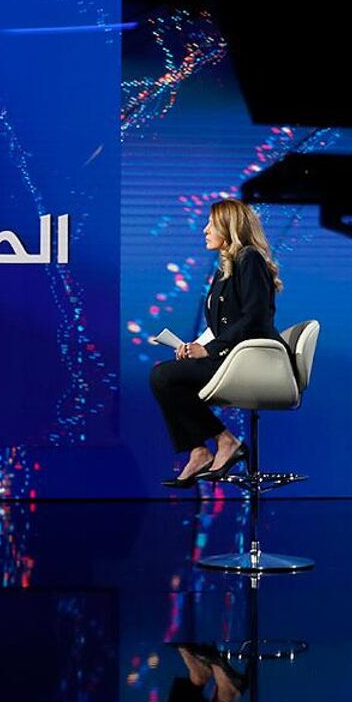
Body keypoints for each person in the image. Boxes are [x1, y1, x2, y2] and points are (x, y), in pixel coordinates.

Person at [148, 198, 284, 488]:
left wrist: (208, 350)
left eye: (211, 224)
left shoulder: (249, 258)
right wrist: (193, 347)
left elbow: (255, 317)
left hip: (251, 362)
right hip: (230, 357)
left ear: (228, 226)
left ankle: (223, 441)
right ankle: (200, 450)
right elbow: (219, 326)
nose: (205, 230)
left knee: (164, 376)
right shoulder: (227, 267)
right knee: (166, 376)